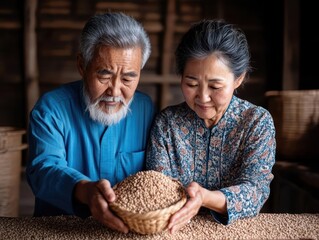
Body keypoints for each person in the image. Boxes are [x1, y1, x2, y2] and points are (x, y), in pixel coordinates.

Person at [26, 12, 154, 233]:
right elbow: (43, 170)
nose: (115, 91)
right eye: (104, 75)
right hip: (58, 230)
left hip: (126, 232)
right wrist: (85, 190)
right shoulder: (51, 109)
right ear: (82, 66)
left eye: (128, 78)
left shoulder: (145, 109)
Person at [146, 19, 276, 234]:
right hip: (174, 230)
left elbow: (256, 190)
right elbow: (157, 187)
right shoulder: (167, 124)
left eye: (215, 86)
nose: (203, 97)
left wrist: (206, 198)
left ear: (238, 79)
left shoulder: (256, 122)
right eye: (191, 84)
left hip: (238, 231)